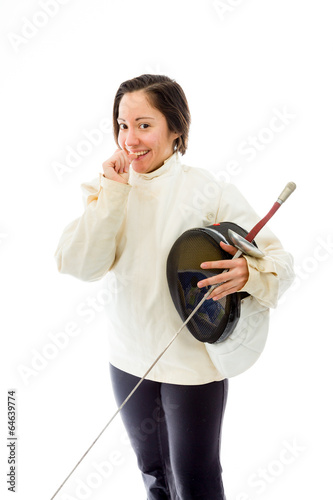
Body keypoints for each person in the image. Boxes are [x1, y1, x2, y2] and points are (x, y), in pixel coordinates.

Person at [54, 74, 295, 499]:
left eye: (144, 124)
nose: (130, 139)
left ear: (176, 129)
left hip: (192, 367)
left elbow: (278, 261)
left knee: (195, 481)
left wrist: (248, 274)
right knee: (154, 477)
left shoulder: (208, 189)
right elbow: (79, 264)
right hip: (128, 358)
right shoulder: (107, 188)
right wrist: (112, 194)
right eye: (123, 125)